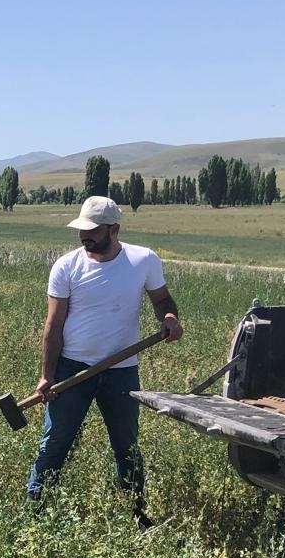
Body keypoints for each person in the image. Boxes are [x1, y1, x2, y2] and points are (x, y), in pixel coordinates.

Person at [27, 196, 183, 522]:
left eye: (93, 231)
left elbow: (162, 299)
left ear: (114, 229)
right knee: (54, 445)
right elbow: (53, 326)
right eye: (81, 230)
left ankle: (138, 518)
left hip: (121, 372)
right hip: (72, 370)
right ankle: (34, 517)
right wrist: (47, 375)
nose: (85, 237)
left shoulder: (144, 261)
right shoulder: (66, 267)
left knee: (126, 448)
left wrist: (168, 317)